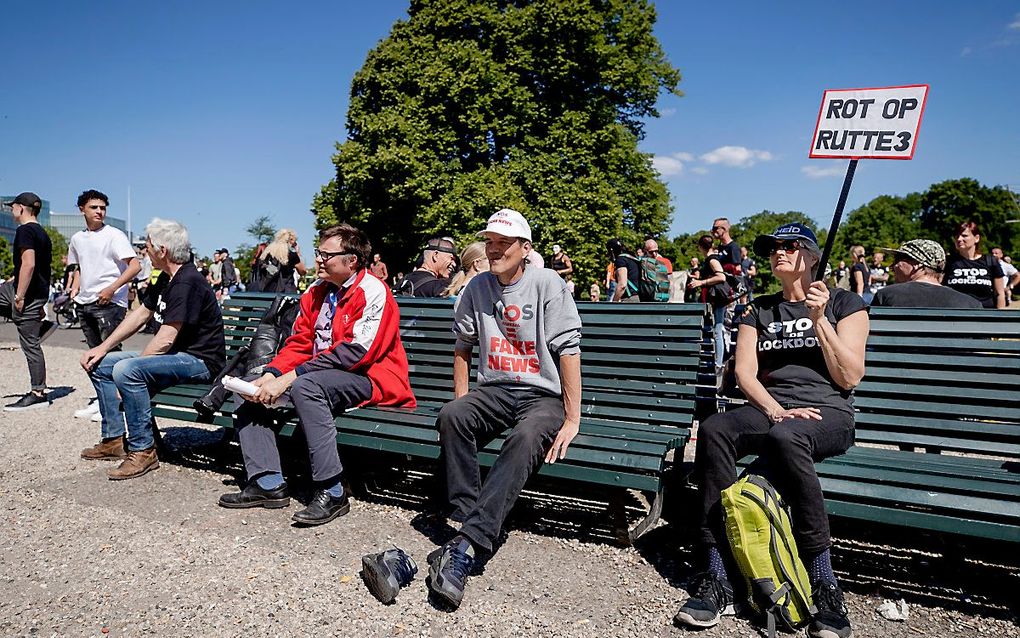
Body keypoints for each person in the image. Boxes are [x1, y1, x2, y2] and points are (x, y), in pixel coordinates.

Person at [674, 222, 867, 638]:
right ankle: (718, 571)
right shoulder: (758, 308)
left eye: (790, 246)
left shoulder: (846, 303)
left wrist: (820, 320)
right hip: (772, 409)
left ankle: (823, 580)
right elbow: (745, 373)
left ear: (813, 257)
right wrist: (777, 410)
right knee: (715, 429)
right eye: (773, 247)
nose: (779, 252)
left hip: (827, 413)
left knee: (788, 438)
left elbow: (849, 377)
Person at [421, 208, 581, 609]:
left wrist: (572, 417)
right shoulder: (476, 288)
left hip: (542, 395)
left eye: (503, 243)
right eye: (489, 243)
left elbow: (568, 351)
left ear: (525, 249)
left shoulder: (547, 284)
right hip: (494, 390)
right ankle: (468, 518)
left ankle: (469, 542)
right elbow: (462, 345)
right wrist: (462, 399)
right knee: (452, 416)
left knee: (526, 437)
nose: (494, 250)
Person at [217, 223, 415, 525]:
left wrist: (290, 377)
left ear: (352, 260)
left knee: (305, 387)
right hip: (317, 376)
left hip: (370, 378)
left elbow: (356, 353)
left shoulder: (374, 290)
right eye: (318, 253)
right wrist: (272, 374)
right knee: (250, 387)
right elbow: (299, 343)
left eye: (326, 254)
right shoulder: (315, 291)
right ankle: (267, 482)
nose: (319, 259)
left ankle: (332, 490)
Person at [78, 218, 225, 479]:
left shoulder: (187, 281)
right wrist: (102, 347)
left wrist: (131, 373)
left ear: (162, 250)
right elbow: (140, 315)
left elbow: (167, 337)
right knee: (99, 364)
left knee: (127, 370)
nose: (143, 250)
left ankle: (144, 451)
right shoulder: (167, 279)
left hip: (199, 361)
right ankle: (113, 439)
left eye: (146, 245)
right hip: (175, 356)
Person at [66, 190, 141, 419]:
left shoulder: (114, 235)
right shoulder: (77, 239)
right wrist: (75, 289)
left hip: (110, 302)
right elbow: (78, 266)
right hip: (85, 302)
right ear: (82, 209)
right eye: (94, 207)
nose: (99, 211)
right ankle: (102, 400)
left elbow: (135, 266)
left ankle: (115, 404)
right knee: (93, 356)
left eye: (102, 208)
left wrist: (112, 289)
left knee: (109, 356)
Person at [0, 192, 55, 411]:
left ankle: (38, 393)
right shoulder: (42, 233)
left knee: (30, 345)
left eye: (12, 207)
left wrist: (19, 295)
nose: (11, 210)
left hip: (27, 294)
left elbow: (30, 264)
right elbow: (42, 269)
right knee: (31, 342)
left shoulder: (24, 230)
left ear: (21, 208)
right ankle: (40, 326)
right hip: (37, 292)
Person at [871, 240, 981, 308]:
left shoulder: (886, 296)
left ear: (917, 264)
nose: (892, 267)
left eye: (897, 260)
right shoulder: (971, 304)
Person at [943, 221, 1005, 309]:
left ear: (976, 238)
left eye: (964, 236)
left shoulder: (990, 261)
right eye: (957, 236)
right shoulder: (948, 262)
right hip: (955, 317)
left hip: (984, 317)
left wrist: (1000, 319)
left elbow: (1000, 294)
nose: (959, 239)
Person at [687, 235, 727, 370]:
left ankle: (719, 362)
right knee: (716, 329)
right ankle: (717, 361)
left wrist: (701, 282)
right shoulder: (710, 259)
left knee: (717, 330)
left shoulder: (711, 259)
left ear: (700, 246)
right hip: (715, 299)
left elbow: (721, 276)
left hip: (718, 299)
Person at [253, 229, 307, 294]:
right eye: (295, 242)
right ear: (291, 240)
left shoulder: (268, 252)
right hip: (286, 291)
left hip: (266, 290)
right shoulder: (291, 255)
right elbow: (302, 271)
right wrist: (298, 253)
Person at [607, 238, 641, 302]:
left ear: (612, 250)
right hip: (639, 298)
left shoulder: (621, 260)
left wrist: (614, 301)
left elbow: (622, 285)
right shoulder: (633, 258)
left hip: (630, 299)